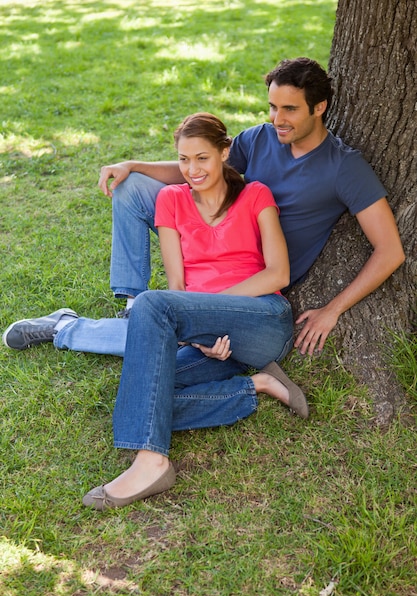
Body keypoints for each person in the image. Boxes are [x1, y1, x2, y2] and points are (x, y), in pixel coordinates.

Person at [2, 57, 404, 358]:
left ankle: (67, 328)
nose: (276, 119)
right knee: (131, 189)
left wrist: (332, 310)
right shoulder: (260, 138)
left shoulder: (344, 167)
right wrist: (134, 166)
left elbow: (390, 251)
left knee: (173, 338)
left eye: (290, 110)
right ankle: (131, 305)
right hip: (213, 243)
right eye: (272, 107)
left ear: (320, 107)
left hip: (257, 275)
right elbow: (203, 174)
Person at [79, 111, 306, 509]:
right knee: (145, 392)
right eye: (184, 160)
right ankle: (257, 386)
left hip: (261, 318)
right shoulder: (170, 200)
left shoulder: (256, 195)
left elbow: (278, 272)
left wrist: (210, 314)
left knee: (149, 309)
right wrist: (198, 336)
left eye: (201, 158)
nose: (192, 169)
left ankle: (151, 463)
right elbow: (179, 288)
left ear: (224, 153)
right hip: (210, 337)